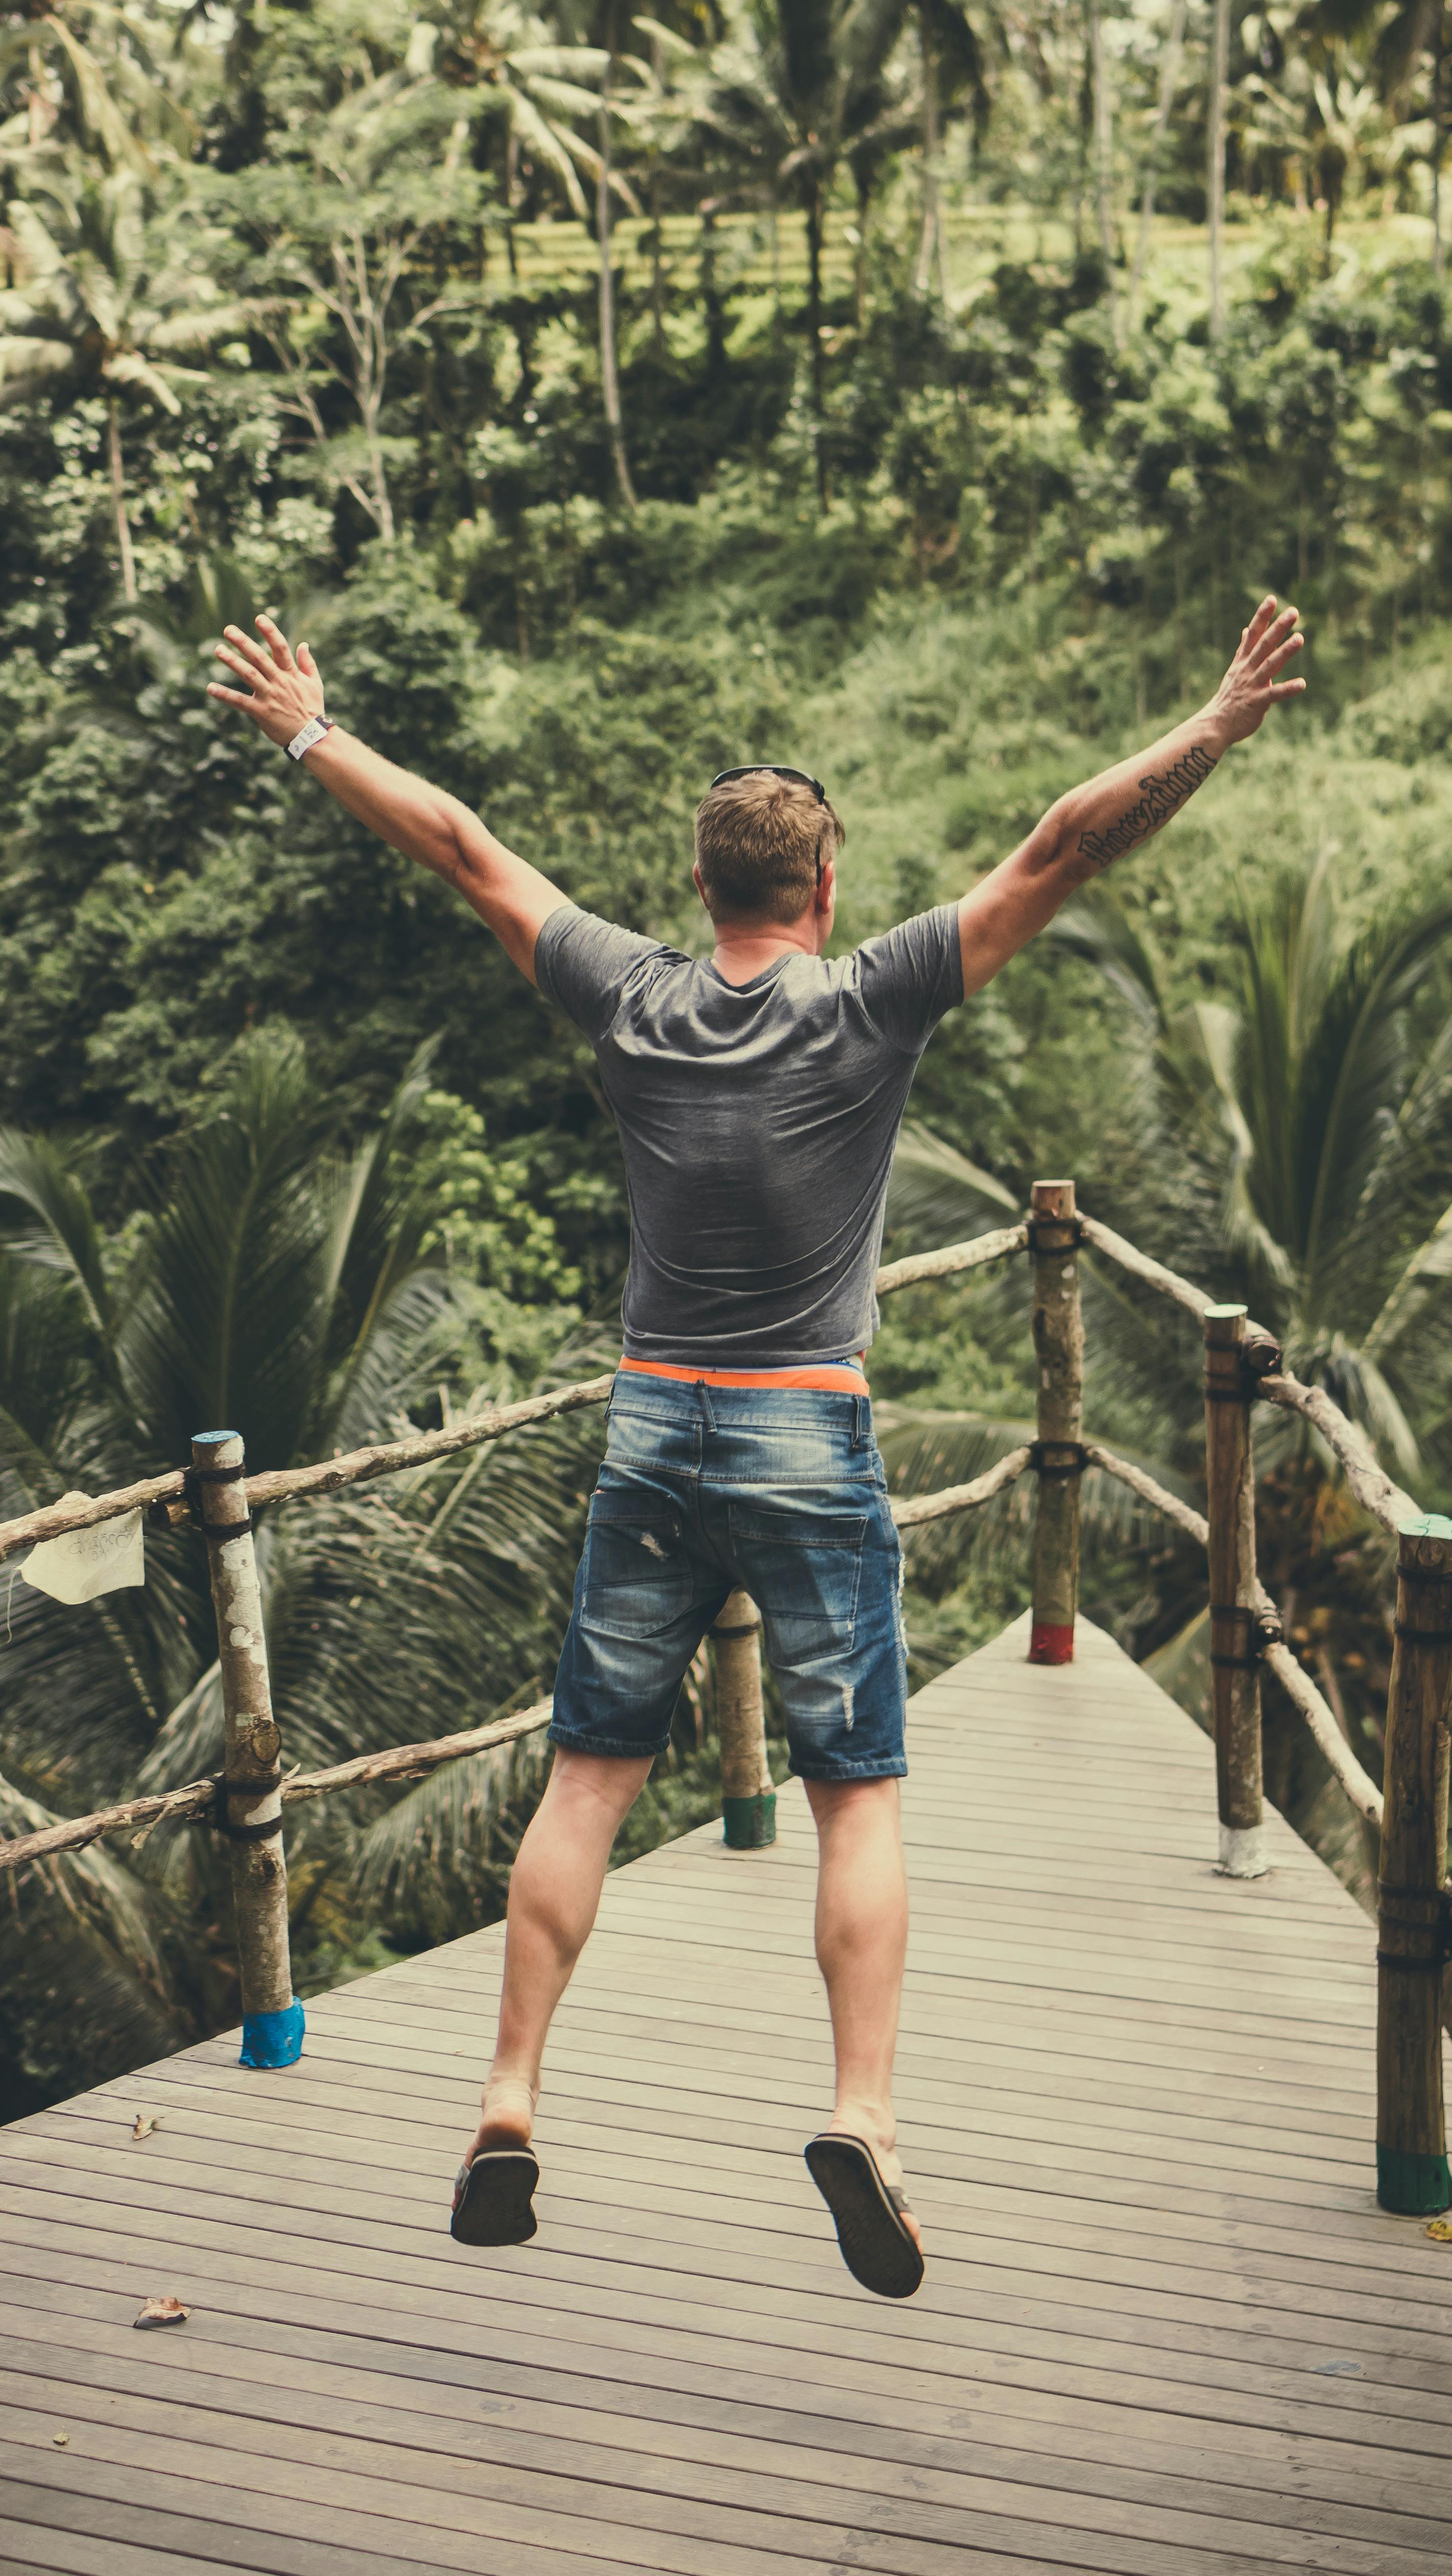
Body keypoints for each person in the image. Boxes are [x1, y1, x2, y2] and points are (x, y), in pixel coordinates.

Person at [210, 594, 1306, 2297]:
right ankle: (862, 2121)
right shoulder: (871, 1004)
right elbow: (1064, 843)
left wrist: (307, 728)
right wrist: (1219, 724)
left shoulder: (627, 995)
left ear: (704, 884)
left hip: (654, 1426)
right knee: (854, 1801)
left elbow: (463, 847)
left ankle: (509, 2099)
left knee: (588, 1779)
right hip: (809, 1433)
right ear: (823, 889)